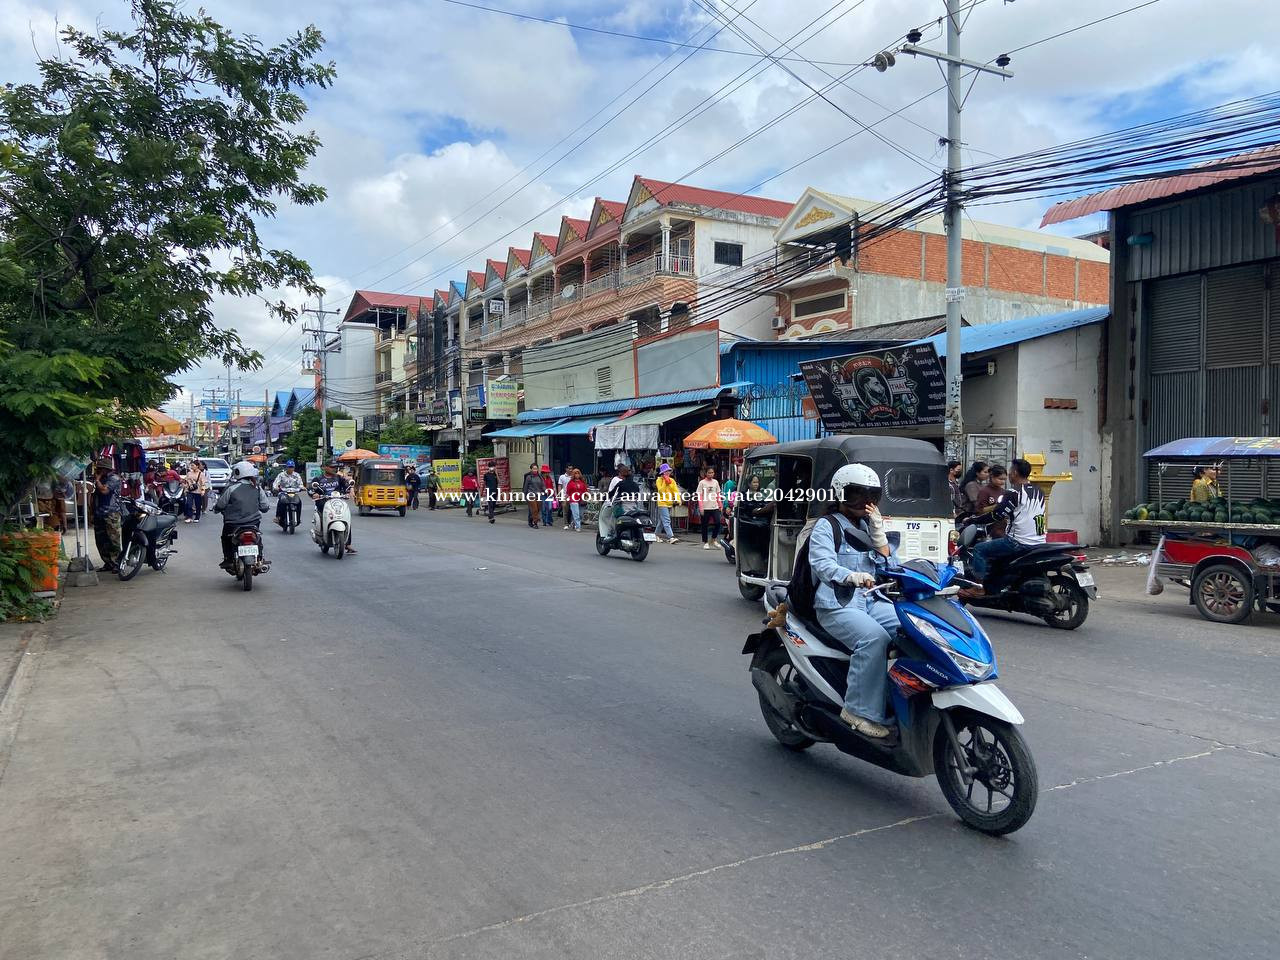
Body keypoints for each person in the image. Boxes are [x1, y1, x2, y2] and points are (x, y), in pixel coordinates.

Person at [807, 463, 897, 739]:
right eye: (857, 495)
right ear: (840, 494)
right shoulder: (827, 525)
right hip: (838, 603)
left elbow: (890, 564)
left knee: (912, 629)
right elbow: (822, 564)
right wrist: (850, 576)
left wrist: (879, 534)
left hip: (872, 599)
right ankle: (857, 710)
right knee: (874, 640)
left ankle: (899, 700)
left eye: (870, 496)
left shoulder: (868, 526)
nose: (864, 503)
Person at [964, 458, 1046, 589]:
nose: (1008, 475)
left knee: (979, 549)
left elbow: (996, 515)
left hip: (1018, 542)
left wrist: (972, 520)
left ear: (1015, 473)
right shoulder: (1039, 491)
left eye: (1010, 471)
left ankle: (978, 588)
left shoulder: (1014, 492)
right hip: (1039, 541)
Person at [212, 461, 270, 569]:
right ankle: (260, 558)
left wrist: (216, 509)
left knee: (226, 538)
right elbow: (265, 506)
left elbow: (221, 504)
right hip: (253, 523)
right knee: (257, 538)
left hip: (233, 523)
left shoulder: (231, 488)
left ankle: (228, 559)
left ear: (237, 472)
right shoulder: (257, 488)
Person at [311, 461, 358, 554]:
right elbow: (311, 489)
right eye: (332, 467)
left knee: (345, 516)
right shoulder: (318, 479)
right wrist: (314, 494)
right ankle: (321, 534)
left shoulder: (339, 478)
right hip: (323, 501)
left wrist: (349, 492)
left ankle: (347, 544)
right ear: (325, 467)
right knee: (323, 512)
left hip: (337, 501)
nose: (334, 469)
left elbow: (346, 486)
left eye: (335, 467)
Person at [90, 458, 123, 571]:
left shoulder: (114, 478)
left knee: (113, 540)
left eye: (100, 469)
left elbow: (104, 490)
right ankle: (108, 563)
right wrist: (91, 513)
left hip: (111, 513)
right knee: (101, 540)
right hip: (99, 513)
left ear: (105, 469)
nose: (97, 471)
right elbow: (94, 497)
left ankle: (117, 563)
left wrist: (97, 480)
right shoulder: (101, 479)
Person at [696, 466, 723, 550]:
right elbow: (699, 496)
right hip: (705, 507)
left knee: (718, 523)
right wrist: (701, 507)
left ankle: (713, 539)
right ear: (706, 473)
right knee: (705, 525)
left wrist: (720, 505)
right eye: (709, 473)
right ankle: (705, 542)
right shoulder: (702, 483)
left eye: (712, 473)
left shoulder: (715, 482)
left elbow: (718, 495)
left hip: (714, 506)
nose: (711, 474)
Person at [271, 460, 305, 527]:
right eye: (289, 467)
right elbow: (276, 483)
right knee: (280, 502)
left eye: (292, 467)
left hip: (294, 492)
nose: (290, 469)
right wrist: (276, 487)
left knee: (299, 502)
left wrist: (302, 487)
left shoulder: (297, 475)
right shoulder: (281, 475)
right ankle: (278, 517)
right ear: (286, 467)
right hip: (283, 492)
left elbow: (300, 484)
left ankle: (298, 518)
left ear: (294, 467)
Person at [654, 463, 682, 543]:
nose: (668, 472)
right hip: (662, 503)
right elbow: (661, 491)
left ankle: (656, 535)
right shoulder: (659, 480)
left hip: (669, 503)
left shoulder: (672, 480)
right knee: (666, 520)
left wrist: (678, 499)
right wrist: (665, 482)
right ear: (662, 473)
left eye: (669, 471)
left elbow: (675, 491)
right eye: (666, 471)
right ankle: (671, 537)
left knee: (661, 521)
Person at [522, 463, 542, 528]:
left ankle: (531, 519)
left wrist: (545, 490)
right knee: (534, 509)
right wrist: (524, 496)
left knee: (537, 509)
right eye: (534, 469)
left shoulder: (540, 476)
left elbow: (543, 485)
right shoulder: (528, 477)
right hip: (530, 495)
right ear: (531, 469)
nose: (535, 470)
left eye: (536, 469)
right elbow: (525, 487)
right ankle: (535, 523)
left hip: (538, 495)